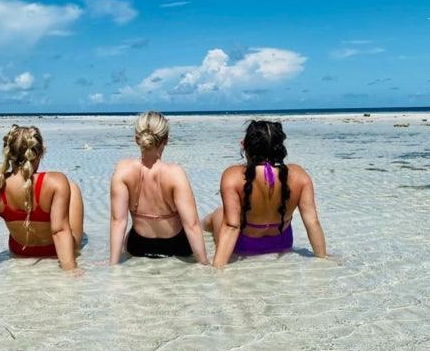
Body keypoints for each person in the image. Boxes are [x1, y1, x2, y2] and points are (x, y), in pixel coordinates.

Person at [203, 120, 326, 268]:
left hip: (243, 246)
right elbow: (313, 222)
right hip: (282, 243)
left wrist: (217, 268)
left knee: (217, 214)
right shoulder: (299, 175)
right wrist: (323, 258)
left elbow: (232, 226)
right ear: (279, 147)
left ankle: (199, 228)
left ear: (244, 145)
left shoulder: (232, 175)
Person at [0, 124, 84, 270]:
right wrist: (71, 270)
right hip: (55, 251)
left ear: (8, 153)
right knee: (71, 187)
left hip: (20, 251)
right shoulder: (55, 182)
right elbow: (59, 231)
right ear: (40, 153)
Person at [109, 111, 208, 264]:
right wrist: (205, 264)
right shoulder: (175, 173)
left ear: (137, 139)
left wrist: (112, 266)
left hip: (138, 246)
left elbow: (118, 221)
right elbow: (192, 225)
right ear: (166, 140)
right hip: (177, 246)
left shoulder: (123, 170)